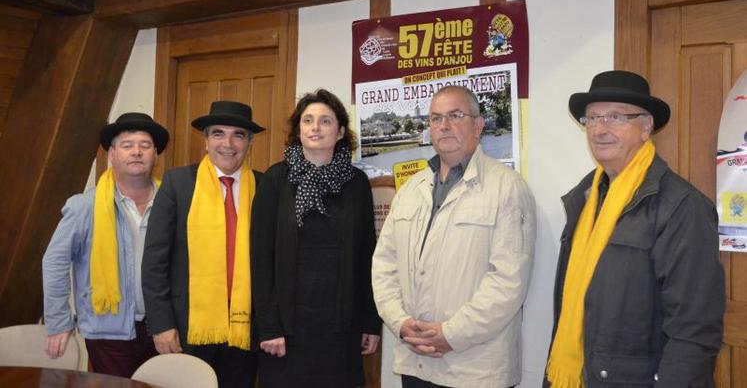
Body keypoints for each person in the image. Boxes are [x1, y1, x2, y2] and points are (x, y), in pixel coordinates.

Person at [544, 70, 725, 387]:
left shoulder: (682, 206)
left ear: (646, 127)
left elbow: (693, 333)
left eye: (615, 117)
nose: (599, 129)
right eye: (593, 118)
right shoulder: (584, 201)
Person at [372, 85, 536, 388]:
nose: (443, 126)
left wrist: (452, 334)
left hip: (475, 370)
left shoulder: (507, 189)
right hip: (416, 362)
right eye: (435, 118)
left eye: (455, 115)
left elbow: (508, 282)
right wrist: (401, 323)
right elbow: (384, 265)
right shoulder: (410, 191)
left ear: (478, 125)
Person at [251, 89, 381, 387]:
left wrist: (370, 322)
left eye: (325, 121)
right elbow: (260, 259)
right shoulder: (276, 179)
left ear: (340, 132)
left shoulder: (356, 183)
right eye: (308, 120)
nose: (315, 127)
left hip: (340, 329)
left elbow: (366, 257)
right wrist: (269, 326)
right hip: (286, 331)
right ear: (298, 129)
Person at [142, 100, 264, 388]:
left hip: (244, 326)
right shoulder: (178, 184)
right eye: (218, 133)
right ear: (206, 140)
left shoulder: (264, 186)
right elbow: (154, 261)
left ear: (250, 143)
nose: (228, 143)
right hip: (188, 328)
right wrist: (161, 325)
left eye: (239, 135)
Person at [42, 112, 169, 377]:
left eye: (145, 145)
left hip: (164, 327)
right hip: (108, 333)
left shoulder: (172, 203)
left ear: (155, 154)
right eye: (127, 145)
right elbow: (54, 262)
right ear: (112, 155)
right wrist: (58, 321)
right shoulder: (84, 206)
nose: (136, 151)